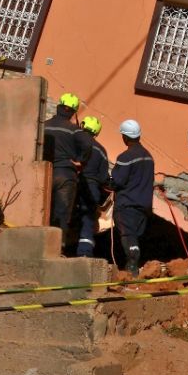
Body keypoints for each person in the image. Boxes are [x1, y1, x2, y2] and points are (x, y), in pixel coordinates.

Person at [43, 93, 90, 250]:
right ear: (73, 112)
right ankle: (58, 247)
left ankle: (41, 244)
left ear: (58, 107)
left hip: (44, 173)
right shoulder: (74, 130)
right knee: (62, 213)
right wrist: (80, 159)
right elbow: (88, 145)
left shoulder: (44, 125)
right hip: (65, 176)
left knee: (43, 210)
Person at [109, 119, 153, 276]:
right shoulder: (148, 157)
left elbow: (117, 181)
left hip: (127, 205)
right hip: (144, 206)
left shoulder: (125, 157)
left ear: (125, 137)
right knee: (136, 236)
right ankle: (135, 266)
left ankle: (132, 268)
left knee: (129, 236)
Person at [74, 116, 111, 258]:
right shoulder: (102, 150)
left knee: (64, 216)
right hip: (92, 188)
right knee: (88, 220)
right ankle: (84, 253)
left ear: (83, 126)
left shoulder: (75, 141)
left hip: (73, 184)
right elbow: (103, 178)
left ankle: (59, 249)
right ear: (96, 132)